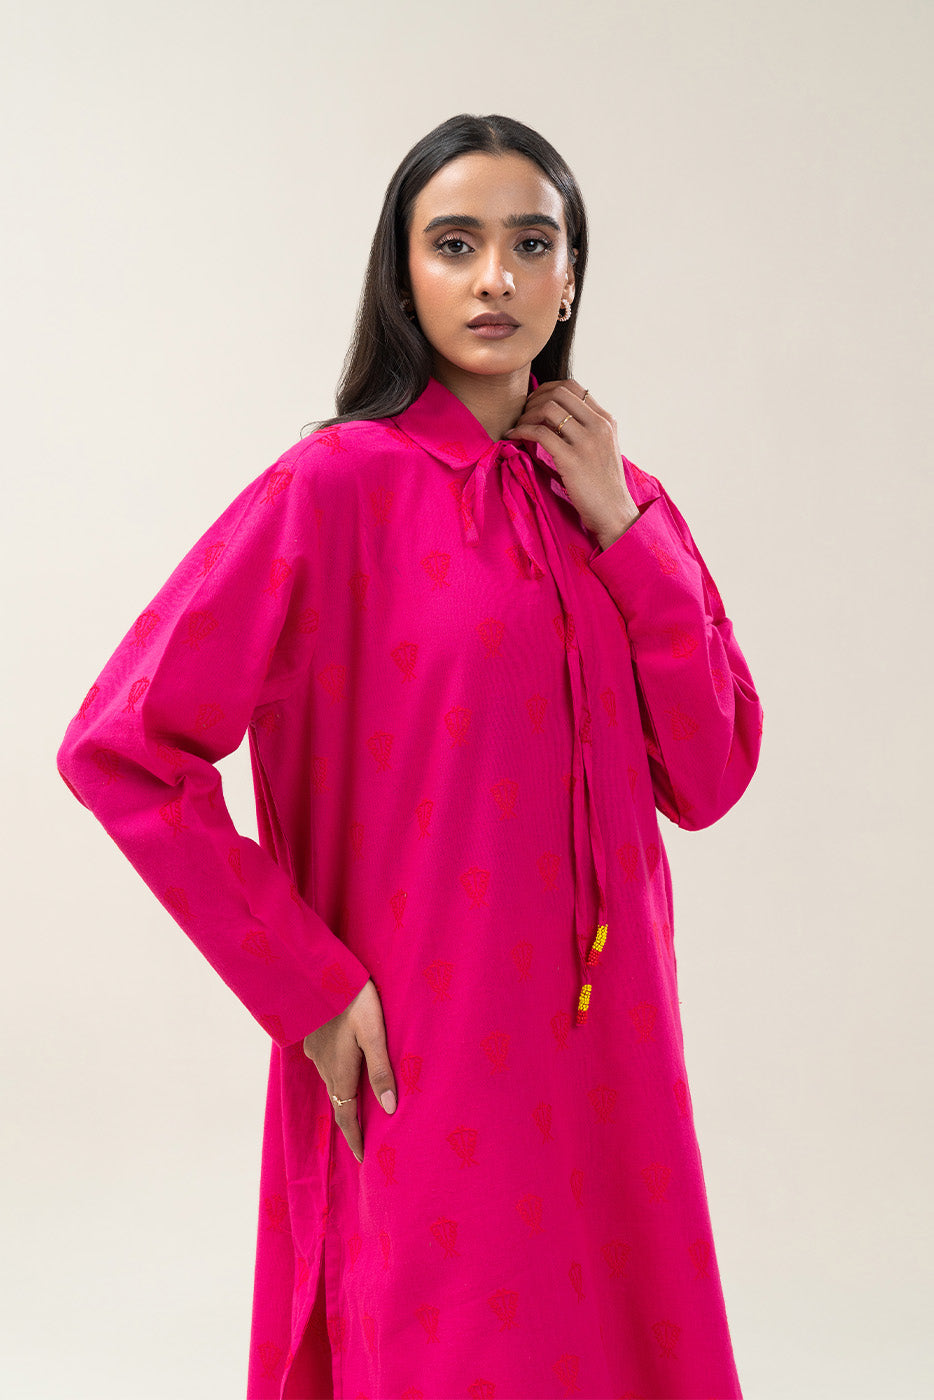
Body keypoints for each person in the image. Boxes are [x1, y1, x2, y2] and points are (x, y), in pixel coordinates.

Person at [57, 112, 763, 1400]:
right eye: (455, 244)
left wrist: (626, 524)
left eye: (531, 244)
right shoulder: (333, 488)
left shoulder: (615, 500)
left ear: (570, 279)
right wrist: (308, 986)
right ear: (402, 274)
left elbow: (710, 775)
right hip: (425, 1042)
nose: (495, 277)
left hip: (616, 1056)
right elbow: (122, 749)